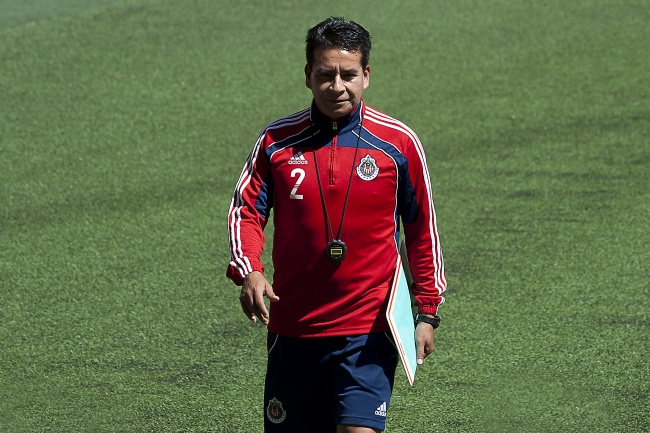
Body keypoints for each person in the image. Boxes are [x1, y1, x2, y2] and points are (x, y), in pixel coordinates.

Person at [227, 16, 446, 433]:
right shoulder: (276, 142)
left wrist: (428, 311)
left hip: (369, 328)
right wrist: (250, 269)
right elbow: (246, 211)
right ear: (307, 75)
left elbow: (422, 231)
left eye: (349, 75)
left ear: (367, 75)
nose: (337, 86)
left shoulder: (398, 144)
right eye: (325, 75)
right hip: (294, 327)